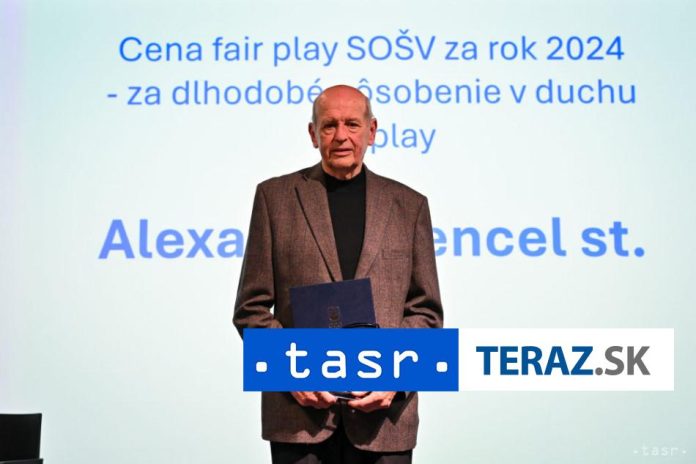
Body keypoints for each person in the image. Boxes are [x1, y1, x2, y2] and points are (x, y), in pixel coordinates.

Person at [233, 85, 443, 463]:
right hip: (300, 421)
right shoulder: (274, 198)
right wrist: (292, 373)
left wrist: (395, 379)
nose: (341, 136)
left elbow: (426, 313)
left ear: (372, 131)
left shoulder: (410, 205)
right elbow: (250, 309)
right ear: (313, 134)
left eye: (352, 124)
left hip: (385, 424)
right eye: (329, 125)